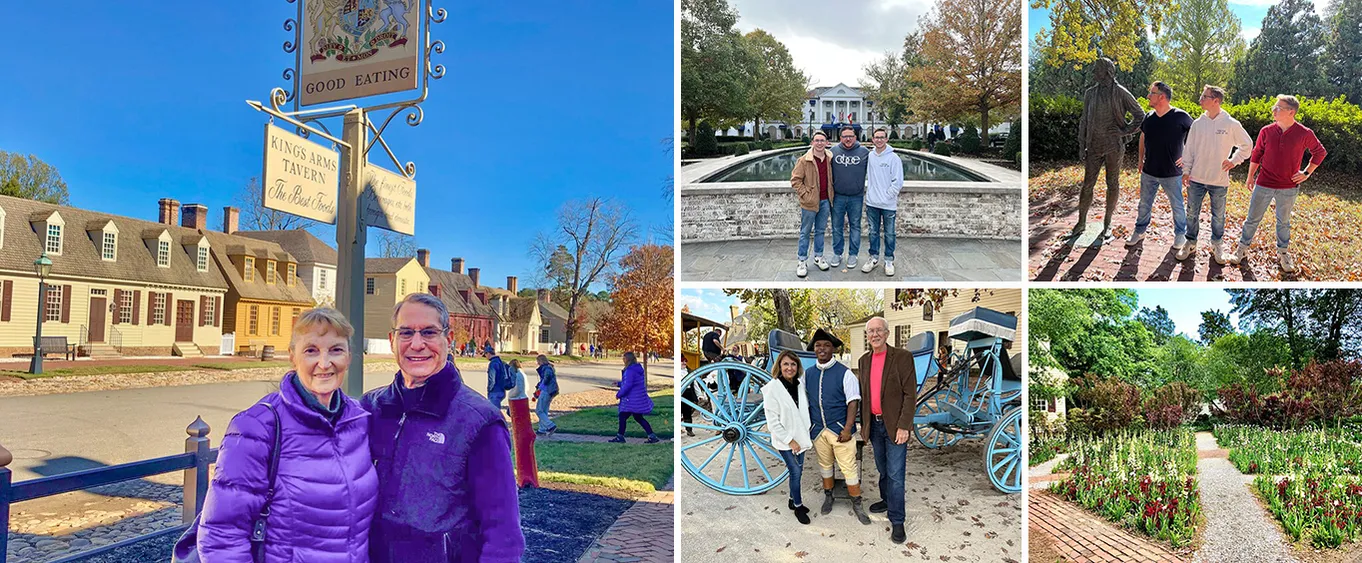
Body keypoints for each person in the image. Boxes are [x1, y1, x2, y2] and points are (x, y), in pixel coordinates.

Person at [191, 308, 378, 561]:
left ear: (349, 357)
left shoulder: (358, 421)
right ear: (293, 356)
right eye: (311, 350)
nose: (324, 363)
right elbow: (222, 534)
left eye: (335, 350)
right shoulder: (257, 427)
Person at [362, 293, 524, 561]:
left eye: (429, 332)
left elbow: (502, 533)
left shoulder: (478, 421)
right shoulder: (371, 408)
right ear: (392, 341)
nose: (417, 344)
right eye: (405, 333)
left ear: (448, 340)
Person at [1228, 94, 1327, 273]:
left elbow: (1319, 152)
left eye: (1278, 108)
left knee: (1284, 222)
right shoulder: (1266, 131)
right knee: (1252, 219)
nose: (1274, 110)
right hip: (1264, 183)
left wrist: (1306, 173)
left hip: (1288, 187)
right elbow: (1257, 154)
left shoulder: (1304, 133)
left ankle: (1283, 253)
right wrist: (1250, 177)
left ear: (1291, 112)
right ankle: (1242, 249)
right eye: (1274, 107)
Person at [856, 317, 916, 544]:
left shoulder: (902, 357)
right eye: (870, 331)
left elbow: (910, 394)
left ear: (887, 333)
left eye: (878, 330)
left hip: (894, 426)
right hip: (875, 425)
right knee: (883, 469)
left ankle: (897, 520)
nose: (874, 334)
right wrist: (863, 425)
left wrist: (904, 426)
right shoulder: (863, 361)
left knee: (895, 474)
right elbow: (864, 395)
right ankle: (886, 500)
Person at [1180, 85, 1253, 264]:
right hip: (1196, 179)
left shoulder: (1231, 124)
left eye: (1205, 96)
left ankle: (1217, 245)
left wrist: (1234, 160)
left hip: (1219, 181)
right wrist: (1186, 171)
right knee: (1191, 213)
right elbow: (1189, 149)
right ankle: (1190, 242)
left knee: (1218, 216)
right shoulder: (1197, 124)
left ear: (1216, 101)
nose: (1201, 99)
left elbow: (1247, 145)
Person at [1075, 57, 1145, 241]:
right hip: (1094, 146)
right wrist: (1082, 144)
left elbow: (1140, 115)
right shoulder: (1090, 93)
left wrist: (1124, 131)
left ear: (1107, 72)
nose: (1093, 73)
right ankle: (1081, 222)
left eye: (1096, 69)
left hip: (1114, 146)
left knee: (1112, 183)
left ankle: (1107, 222)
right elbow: (1084, 120)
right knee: (1087, 184)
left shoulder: (1121, 93)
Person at [804, 328, 869, 524]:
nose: (822, 349)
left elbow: (853, 402)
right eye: (818, 345)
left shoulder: (845, 373)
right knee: (825, 466)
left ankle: (857, 503)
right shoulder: (807, 374)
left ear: (833, 349)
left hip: (840, 429)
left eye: (826, 345)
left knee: (849, 468)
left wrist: (848, 428)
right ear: (814, 349)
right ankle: (828, 496)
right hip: (818, 430)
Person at [1128, 81, 1193, 249]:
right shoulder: (1148, 117)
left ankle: (1180, 235)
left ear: (1162, 97)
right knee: (1144, 204)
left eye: (1152, 93)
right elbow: (1143, 137)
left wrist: (1187, 157)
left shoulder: (1181, 116)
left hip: (1173, 173)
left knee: (1177, 206)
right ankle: (1139, 230)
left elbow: (1196, 137)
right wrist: (1140, 159)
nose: (1148, 96)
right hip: (1149, 171)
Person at [762, 350, 814, 525]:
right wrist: (790, 440)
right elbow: (773, 422)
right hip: (786, 440)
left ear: (797, 367)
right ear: (779, 366)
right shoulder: (772, 389)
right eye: (786, 364)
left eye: (793, 364)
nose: (789, 368)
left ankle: (792, 500)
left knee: (799, 469)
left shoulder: (799, 385)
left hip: (800, 436)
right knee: (795, 471)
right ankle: (798, 506)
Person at [791, 130, 834, 277]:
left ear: (827, 143)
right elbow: (795, 180)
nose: (820, 143)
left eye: (823, 140)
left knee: (820, 231)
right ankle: (802, 260)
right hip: (809, 202)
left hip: (825, 201)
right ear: (812, 143)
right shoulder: (804, 160)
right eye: (817, 140)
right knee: (805, 232)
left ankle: (818, 257)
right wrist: (806, 195)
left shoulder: (829, 158)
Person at [863, 127, 903, 276]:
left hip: (888, 204)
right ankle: (873, 258)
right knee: (873, 232)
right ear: (873, 140)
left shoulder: (894, 158)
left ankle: (888, 260)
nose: (879, 140)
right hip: (872, 203)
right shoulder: (870, 156)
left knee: (889, 233)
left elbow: (898, 181)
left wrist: (888, 196)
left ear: (886, 139)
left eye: (882, 137)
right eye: (876, 137)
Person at [830, 126, 870, 269]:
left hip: (856, 197)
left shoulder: (865, 152)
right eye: (845, 136)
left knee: (855, 227)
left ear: (855, 137)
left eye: (851, 136)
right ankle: (838, 253)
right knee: (836, 227)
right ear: (840, 138)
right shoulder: (832, 152)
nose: (848, 139)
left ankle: (853, 254)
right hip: (838, 197)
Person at [610, 352, 661, 443]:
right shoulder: (637, 369)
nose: (623, 360)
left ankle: (620, 437)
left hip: (631, 399)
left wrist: (619, 394)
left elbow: (628, 386)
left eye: (624, 358)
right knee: (638, 418)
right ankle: (652, 436)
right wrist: (618, 384)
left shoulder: (630, 371)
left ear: (627, 360)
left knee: (623, 416)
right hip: (637, 398)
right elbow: (631, 383)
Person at [534, 354, 559, 435]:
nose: (537, 363)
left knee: (539, 410)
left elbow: (546, 379)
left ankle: (550, 425)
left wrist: (539, 388)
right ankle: (542, 429)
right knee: (544, 411)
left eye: (538, 361)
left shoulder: (546, 368)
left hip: (546, 391)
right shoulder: (550, 367)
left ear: (541, 361)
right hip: (550, 391)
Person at [484, 345, 513, 412]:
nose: (485, 356)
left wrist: (489, 390)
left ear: (488, 353)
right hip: (502, 390)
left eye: (485, 354)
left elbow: (491, 379)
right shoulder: (500, 362)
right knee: (496, 410)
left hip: (495, 391)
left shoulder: (493, 363)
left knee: (495, 412)